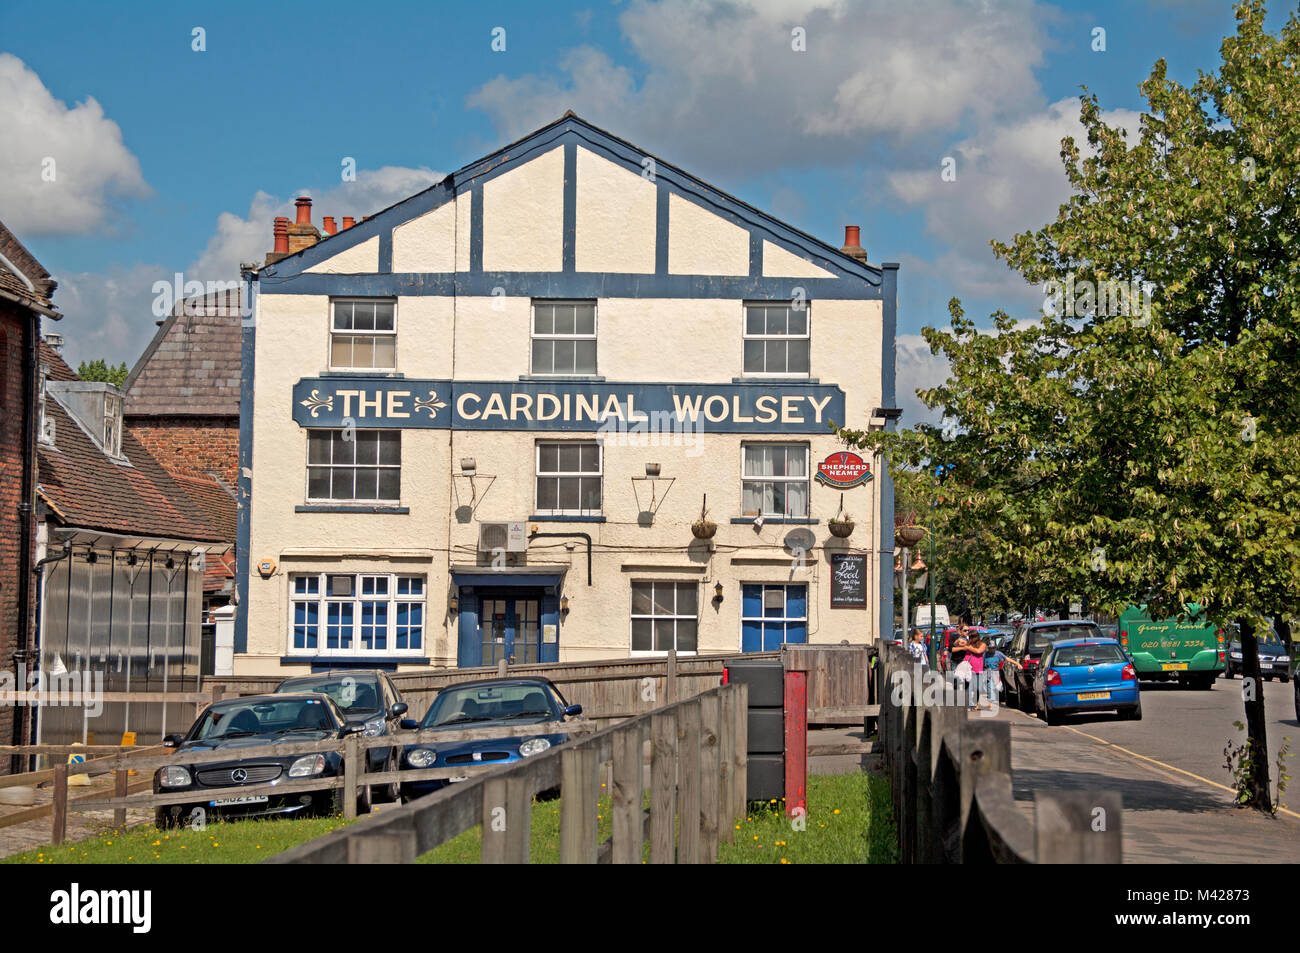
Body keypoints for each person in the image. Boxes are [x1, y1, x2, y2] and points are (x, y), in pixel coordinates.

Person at [981, 638, 1007, 709]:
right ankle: (990, 701)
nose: (992, 650)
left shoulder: (998, 654)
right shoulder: (985, 654)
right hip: (987, 672)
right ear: (988, 648)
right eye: (990, 648)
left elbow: (1006, 659)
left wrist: (1017, 663)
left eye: (993, 648)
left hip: (996, 672)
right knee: (990, 686)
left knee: (997, 687)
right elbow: (981, 663)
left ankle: (993, 700)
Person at [966, 638, 987, 711]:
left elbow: (979, 651)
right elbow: (956, 645)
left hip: (979, 669)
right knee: (970, 688)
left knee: (978, 688)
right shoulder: (967, 643)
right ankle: (969, 705)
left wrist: (969, 647)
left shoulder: (982, 645)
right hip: (969, 668)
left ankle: (974, 703)